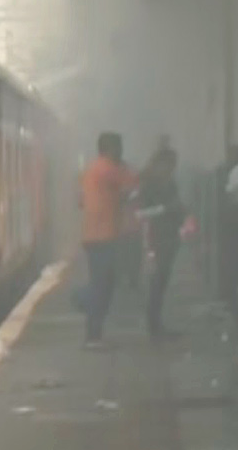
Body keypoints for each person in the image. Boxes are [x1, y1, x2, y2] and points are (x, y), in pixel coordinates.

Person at [80, 132, 137, 348]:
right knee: (102, 286)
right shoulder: (107, 169)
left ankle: (94, 331)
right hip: (102, 235)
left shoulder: (94, 168)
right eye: (119, 147)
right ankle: (92, 333)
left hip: (96, 234)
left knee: (105, 283)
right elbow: (132, 183)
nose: (121, 151)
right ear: (110, 148)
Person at [138, 144, 187, 340]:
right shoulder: (149, 183)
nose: (172, 169)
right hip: (157, 235)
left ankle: (157, 323)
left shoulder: (169, 182)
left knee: (162, 280)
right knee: (157, 280)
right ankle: (154, 325)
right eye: (170, 165)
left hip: (169, 234)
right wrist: (168, 208)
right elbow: (141, 212)